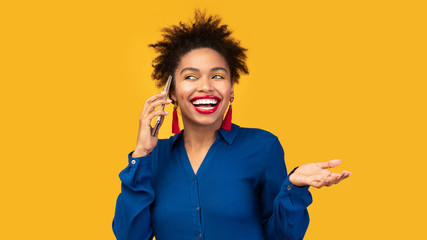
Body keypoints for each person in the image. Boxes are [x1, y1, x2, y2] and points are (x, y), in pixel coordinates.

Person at [112, 9, 351, 240]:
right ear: (172, 93)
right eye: (190, 77)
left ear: (231, 91)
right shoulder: (152, 159)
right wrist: (141, 154)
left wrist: (294, 188)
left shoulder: (263, 146)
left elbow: (282, 237)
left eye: (217, 76)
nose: (206, 86)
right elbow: (129, 236)